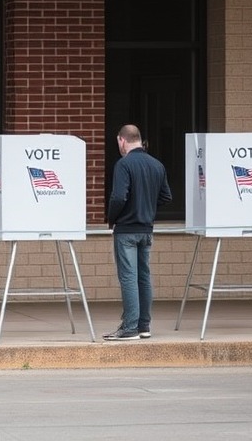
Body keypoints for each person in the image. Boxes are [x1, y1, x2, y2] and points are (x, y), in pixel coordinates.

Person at [104, 124, 172, 341]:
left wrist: (112, 219)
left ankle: (130, 327)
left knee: (128, 278)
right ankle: (144, 325)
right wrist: (146, 207)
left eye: (119, 142)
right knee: (144, 277)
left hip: (126, 230)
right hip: (146, 229)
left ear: (122, 140)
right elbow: (166, 196)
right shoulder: (157, 165)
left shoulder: (123, 164)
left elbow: (118, 197)